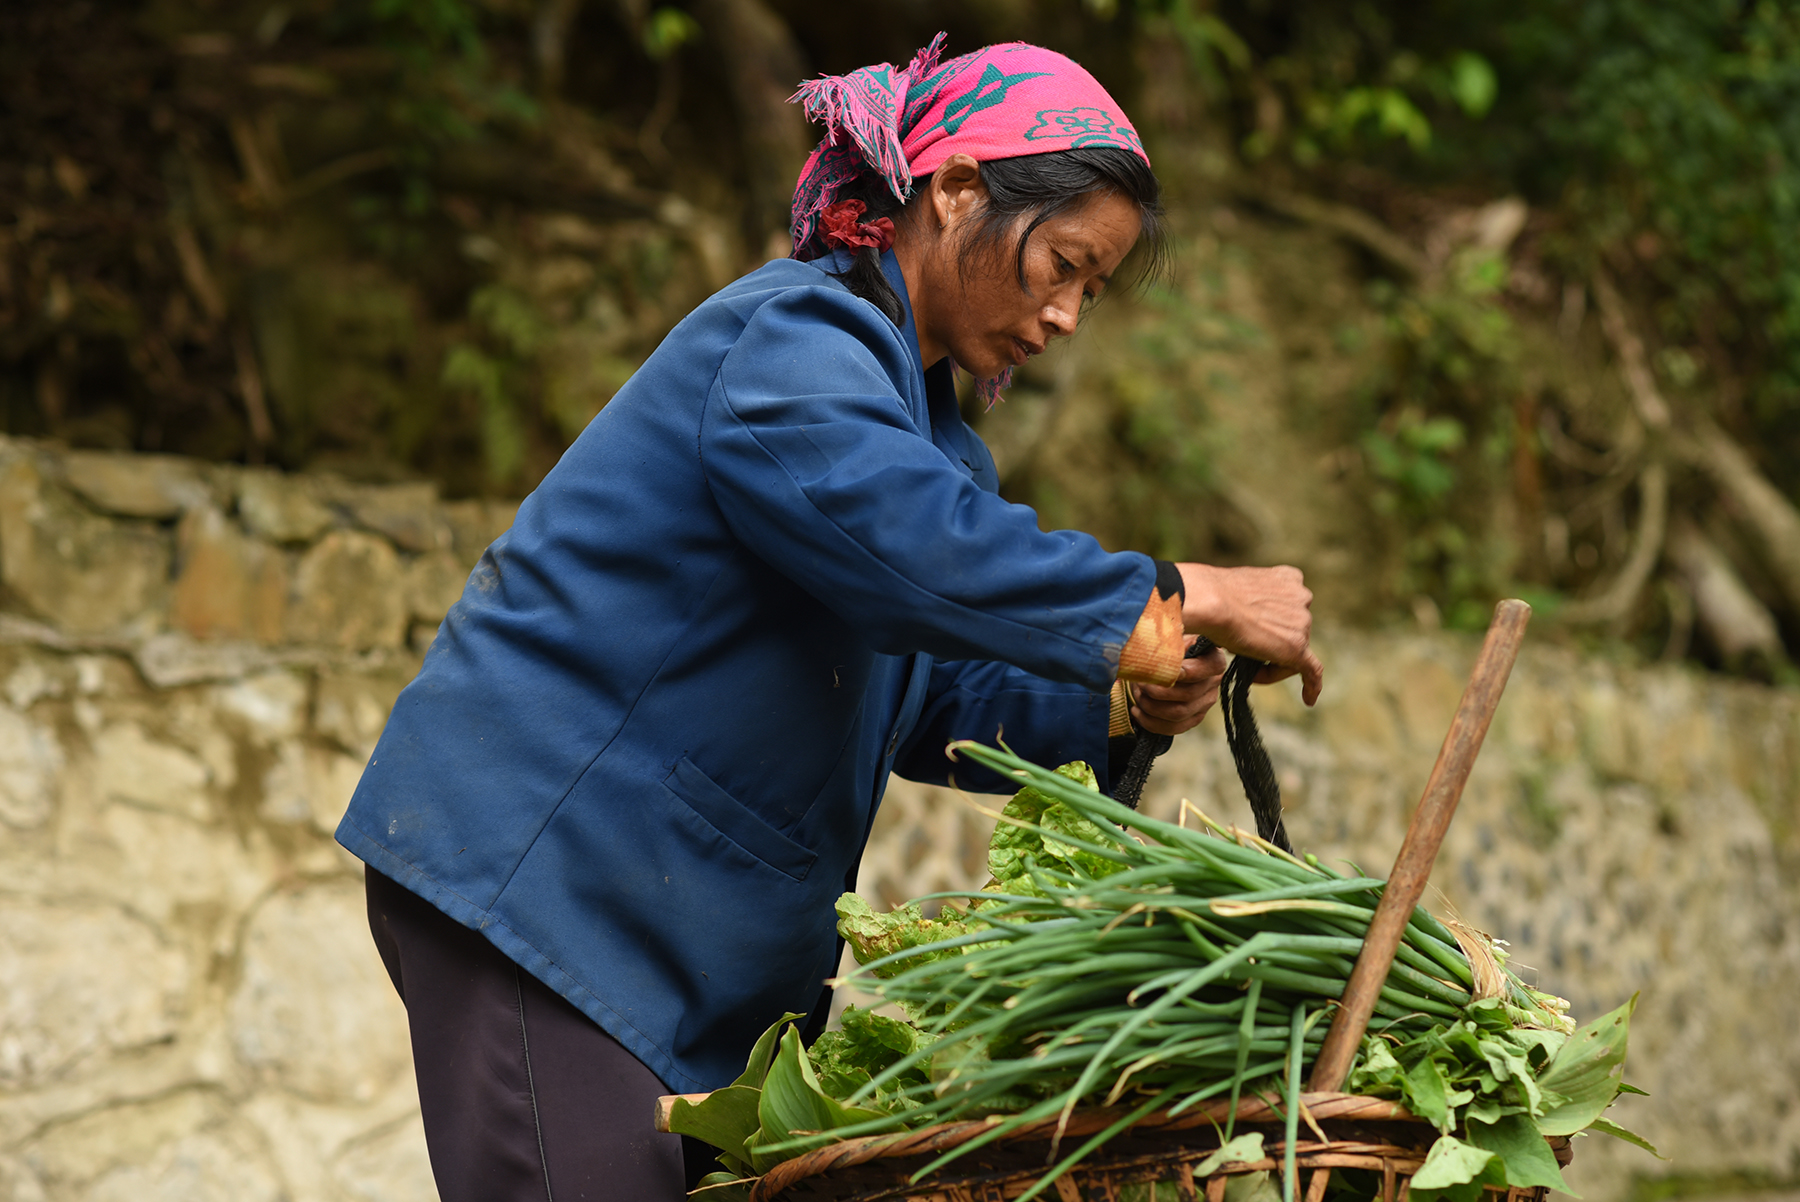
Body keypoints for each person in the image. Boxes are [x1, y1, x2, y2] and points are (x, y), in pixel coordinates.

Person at [337, 34, 1323, 1202]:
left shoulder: (933, 433)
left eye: (1091, 291)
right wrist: (1179, 588)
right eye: (1060, 263)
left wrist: (1119, 695)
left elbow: (929, 687)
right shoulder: (793, 342)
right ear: (955, 192)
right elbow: (910, 551)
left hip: (679, 949)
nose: (1064, 315)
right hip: (554, 888)